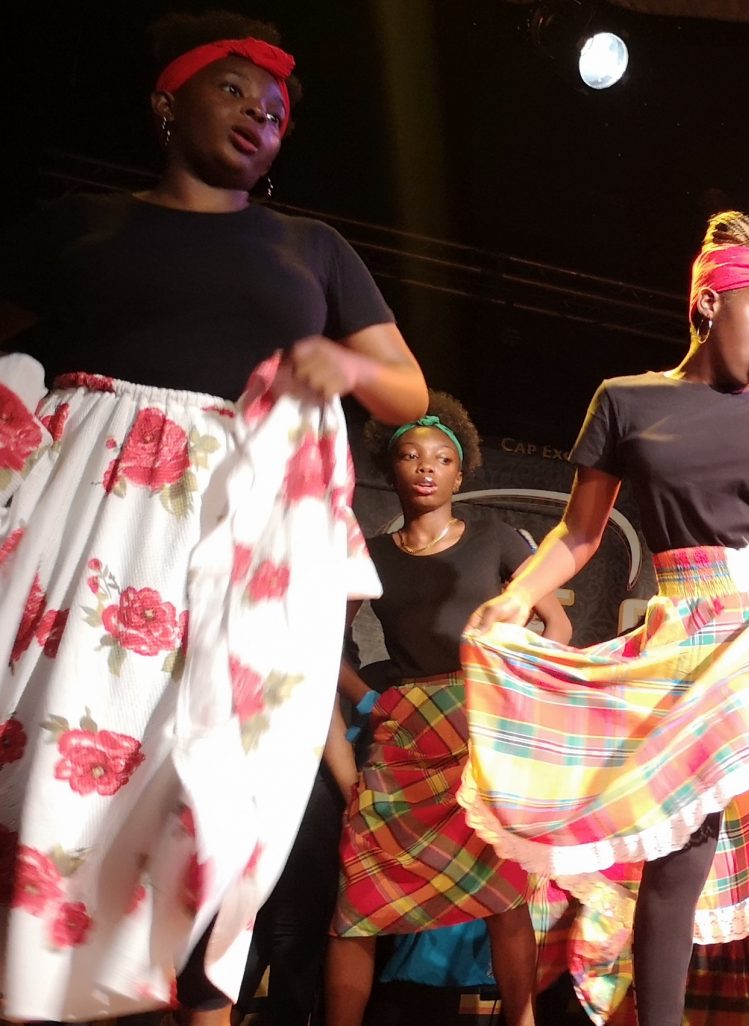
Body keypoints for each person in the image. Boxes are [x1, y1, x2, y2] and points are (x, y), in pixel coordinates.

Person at [0, 11, 422, 1021]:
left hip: (246, 527)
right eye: (233, 90)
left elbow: (407, 390)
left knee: (221, 780)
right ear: (167, 102)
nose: (260, 114)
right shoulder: (76, 225)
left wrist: (346, 362)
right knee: (65, 754)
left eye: (275, 109)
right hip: (94, 518)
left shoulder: (312, 247)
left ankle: (193, 994)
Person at [463, 212, 749, 1026]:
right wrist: (514, 596)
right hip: (691, 634)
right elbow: (579, 533)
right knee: (681, 850)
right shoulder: (625, 401)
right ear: (710, 303)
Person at [323, 393, 569, 1026]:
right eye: (410, 456)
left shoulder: (495, 538)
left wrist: (515, 685)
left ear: (461, 474)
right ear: (391, 469)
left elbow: (557, 623)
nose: (426, 467)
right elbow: (326, 646)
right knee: (359, 901)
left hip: (480, 730)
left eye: (441, 458)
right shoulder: (371, 555)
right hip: (404, 736)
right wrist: (369, 697)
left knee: (505, 895)